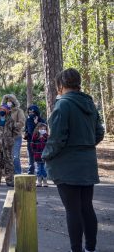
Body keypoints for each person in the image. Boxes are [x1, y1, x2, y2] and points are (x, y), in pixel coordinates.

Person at [42, 68, 104, 252]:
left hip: (67, 166)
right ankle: (90, 248)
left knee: (73, 210)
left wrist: (45, 154)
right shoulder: (89, 103)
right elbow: (99, 132)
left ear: (60, 85)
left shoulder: (62, 106)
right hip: (87, 163)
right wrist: (84, 144)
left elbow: (58, 139)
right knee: (86, 207)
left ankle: (76, 249)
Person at [0, 104, 19, 187]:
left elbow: (16, 131)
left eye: (4, 109)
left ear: (7, 111)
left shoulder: (10, 120)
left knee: (9, 162)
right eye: (0, 109)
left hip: (7, 145)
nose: (1, 110)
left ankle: (10, 181)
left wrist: (11, 139)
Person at [1, 94, 25, 174]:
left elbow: (22, 123)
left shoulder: (19, 111)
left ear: (14, 102)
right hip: (6, 137)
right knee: (7, 157)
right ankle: (9, 175)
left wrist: (12, 125)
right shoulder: (3, 111)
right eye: (7, 101)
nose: (9, 102)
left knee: (15, 157)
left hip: (16, 137)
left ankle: (18, 174)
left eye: (10, 101)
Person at [24, 105, 46, 174]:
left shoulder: (41, 120)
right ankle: (31, 173)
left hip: (41, 143)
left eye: (32, 112)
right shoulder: (28, 120)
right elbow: (31, 131)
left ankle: (42, 174)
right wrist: (35, 124)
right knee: (31, 159)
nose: (30, 114)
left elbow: (44, 130)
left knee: (41, 159)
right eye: (29, 112)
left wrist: (37, 123)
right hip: (31, 142)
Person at [31, 122, 48, 187]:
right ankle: (39, 181)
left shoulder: (46, 136)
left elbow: (49, 144)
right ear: (38, 129)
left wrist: (45, 135)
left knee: (44, 168)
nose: (42, 130)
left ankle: (45, 181)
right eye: (41, 128)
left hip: (45, 155)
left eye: (44, 129)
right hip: (37, 155)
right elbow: (32, 144)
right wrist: (34, 151)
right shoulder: (35, 136)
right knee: (38, 168)